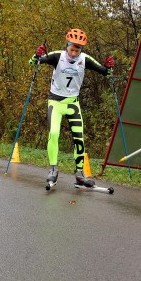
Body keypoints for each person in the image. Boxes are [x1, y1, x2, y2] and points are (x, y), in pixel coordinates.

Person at [29, 28, 114, 187]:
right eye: (71, 49)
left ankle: (80, 174)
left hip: (73, 104)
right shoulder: (57, 56)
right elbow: (34, 62)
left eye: (77, 50)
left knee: (79, 138)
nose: (74, 53)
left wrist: (109, 67)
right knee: (54, 133)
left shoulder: (85, 59)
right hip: (55, 102)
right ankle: (53, 169)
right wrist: (37, 55)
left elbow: (106, 74)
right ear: (67, 46)